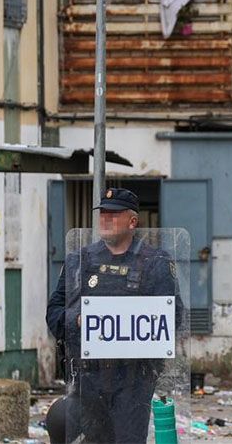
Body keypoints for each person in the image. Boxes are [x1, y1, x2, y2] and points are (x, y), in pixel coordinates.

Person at [46, 187, 183, 443]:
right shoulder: (80, 261)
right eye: (103, 214)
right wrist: (77, 320)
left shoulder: (154, 262)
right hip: (88, 377)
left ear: (132, 222)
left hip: (133, 379)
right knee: (74, 429)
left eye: (114, 214)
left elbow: (173, 315)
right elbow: (54, 312)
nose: (106, 219)